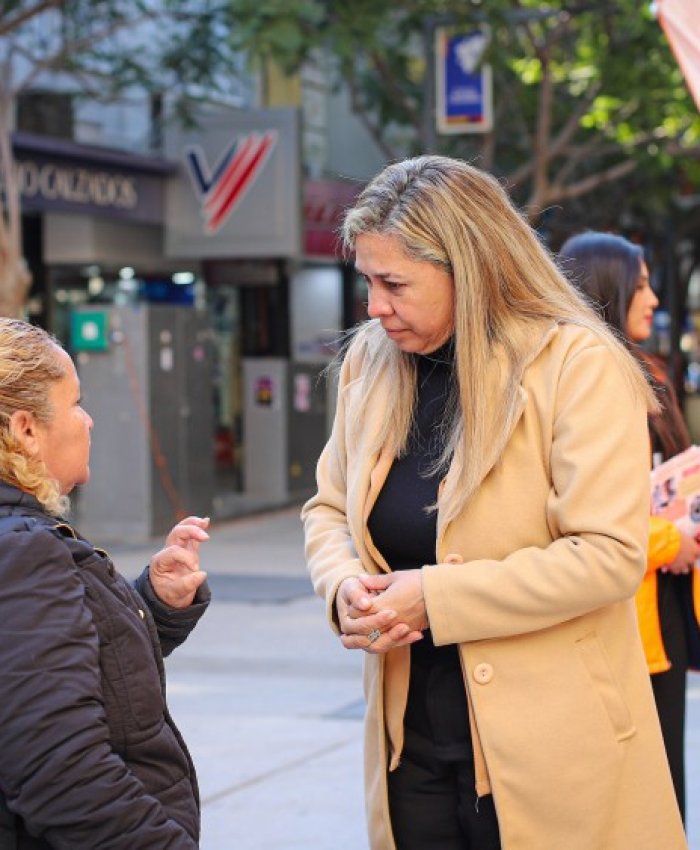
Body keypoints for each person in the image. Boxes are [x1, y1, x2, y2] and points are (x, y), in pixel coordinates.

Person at [301, 156, 687, 850]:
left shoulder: (578, 364)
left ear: (470, 267)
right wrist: (343, 588)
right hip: (409, 746)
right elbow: (328, 509)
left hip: (555, 754)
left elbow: (608, 557)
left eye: (394, 284)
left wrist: (436, 598)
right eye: (367, 282)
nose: (374, 307)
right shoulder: (369, 362)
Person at [0, 317, 211, 849]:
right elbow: (64, 776)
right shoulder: (22, 551)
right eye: (75, 402)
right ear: (26, 429)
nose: (88, 420)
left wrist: (151, 605)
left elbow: (44, 670)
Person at [559, 230, 700, 825]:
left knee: (665, 789)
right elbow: (571, 518)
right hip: (616, 622)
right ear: (608, 291)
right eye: (640, 286)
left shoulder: (647, 377)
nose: (653, 300)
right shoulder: (586, 388)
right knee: (638, 800)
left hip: (660, 614)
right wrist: (674, 539)